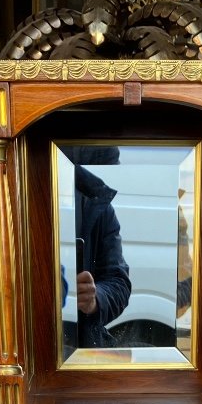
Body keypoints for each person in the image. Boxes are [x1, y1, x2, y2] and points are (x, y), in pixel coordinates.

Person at [66, 147, 131, 349]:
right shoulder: (16, 195)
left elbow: (119, 282)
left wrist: (94, 298)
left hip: (77, 347)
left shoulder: (96, 204)